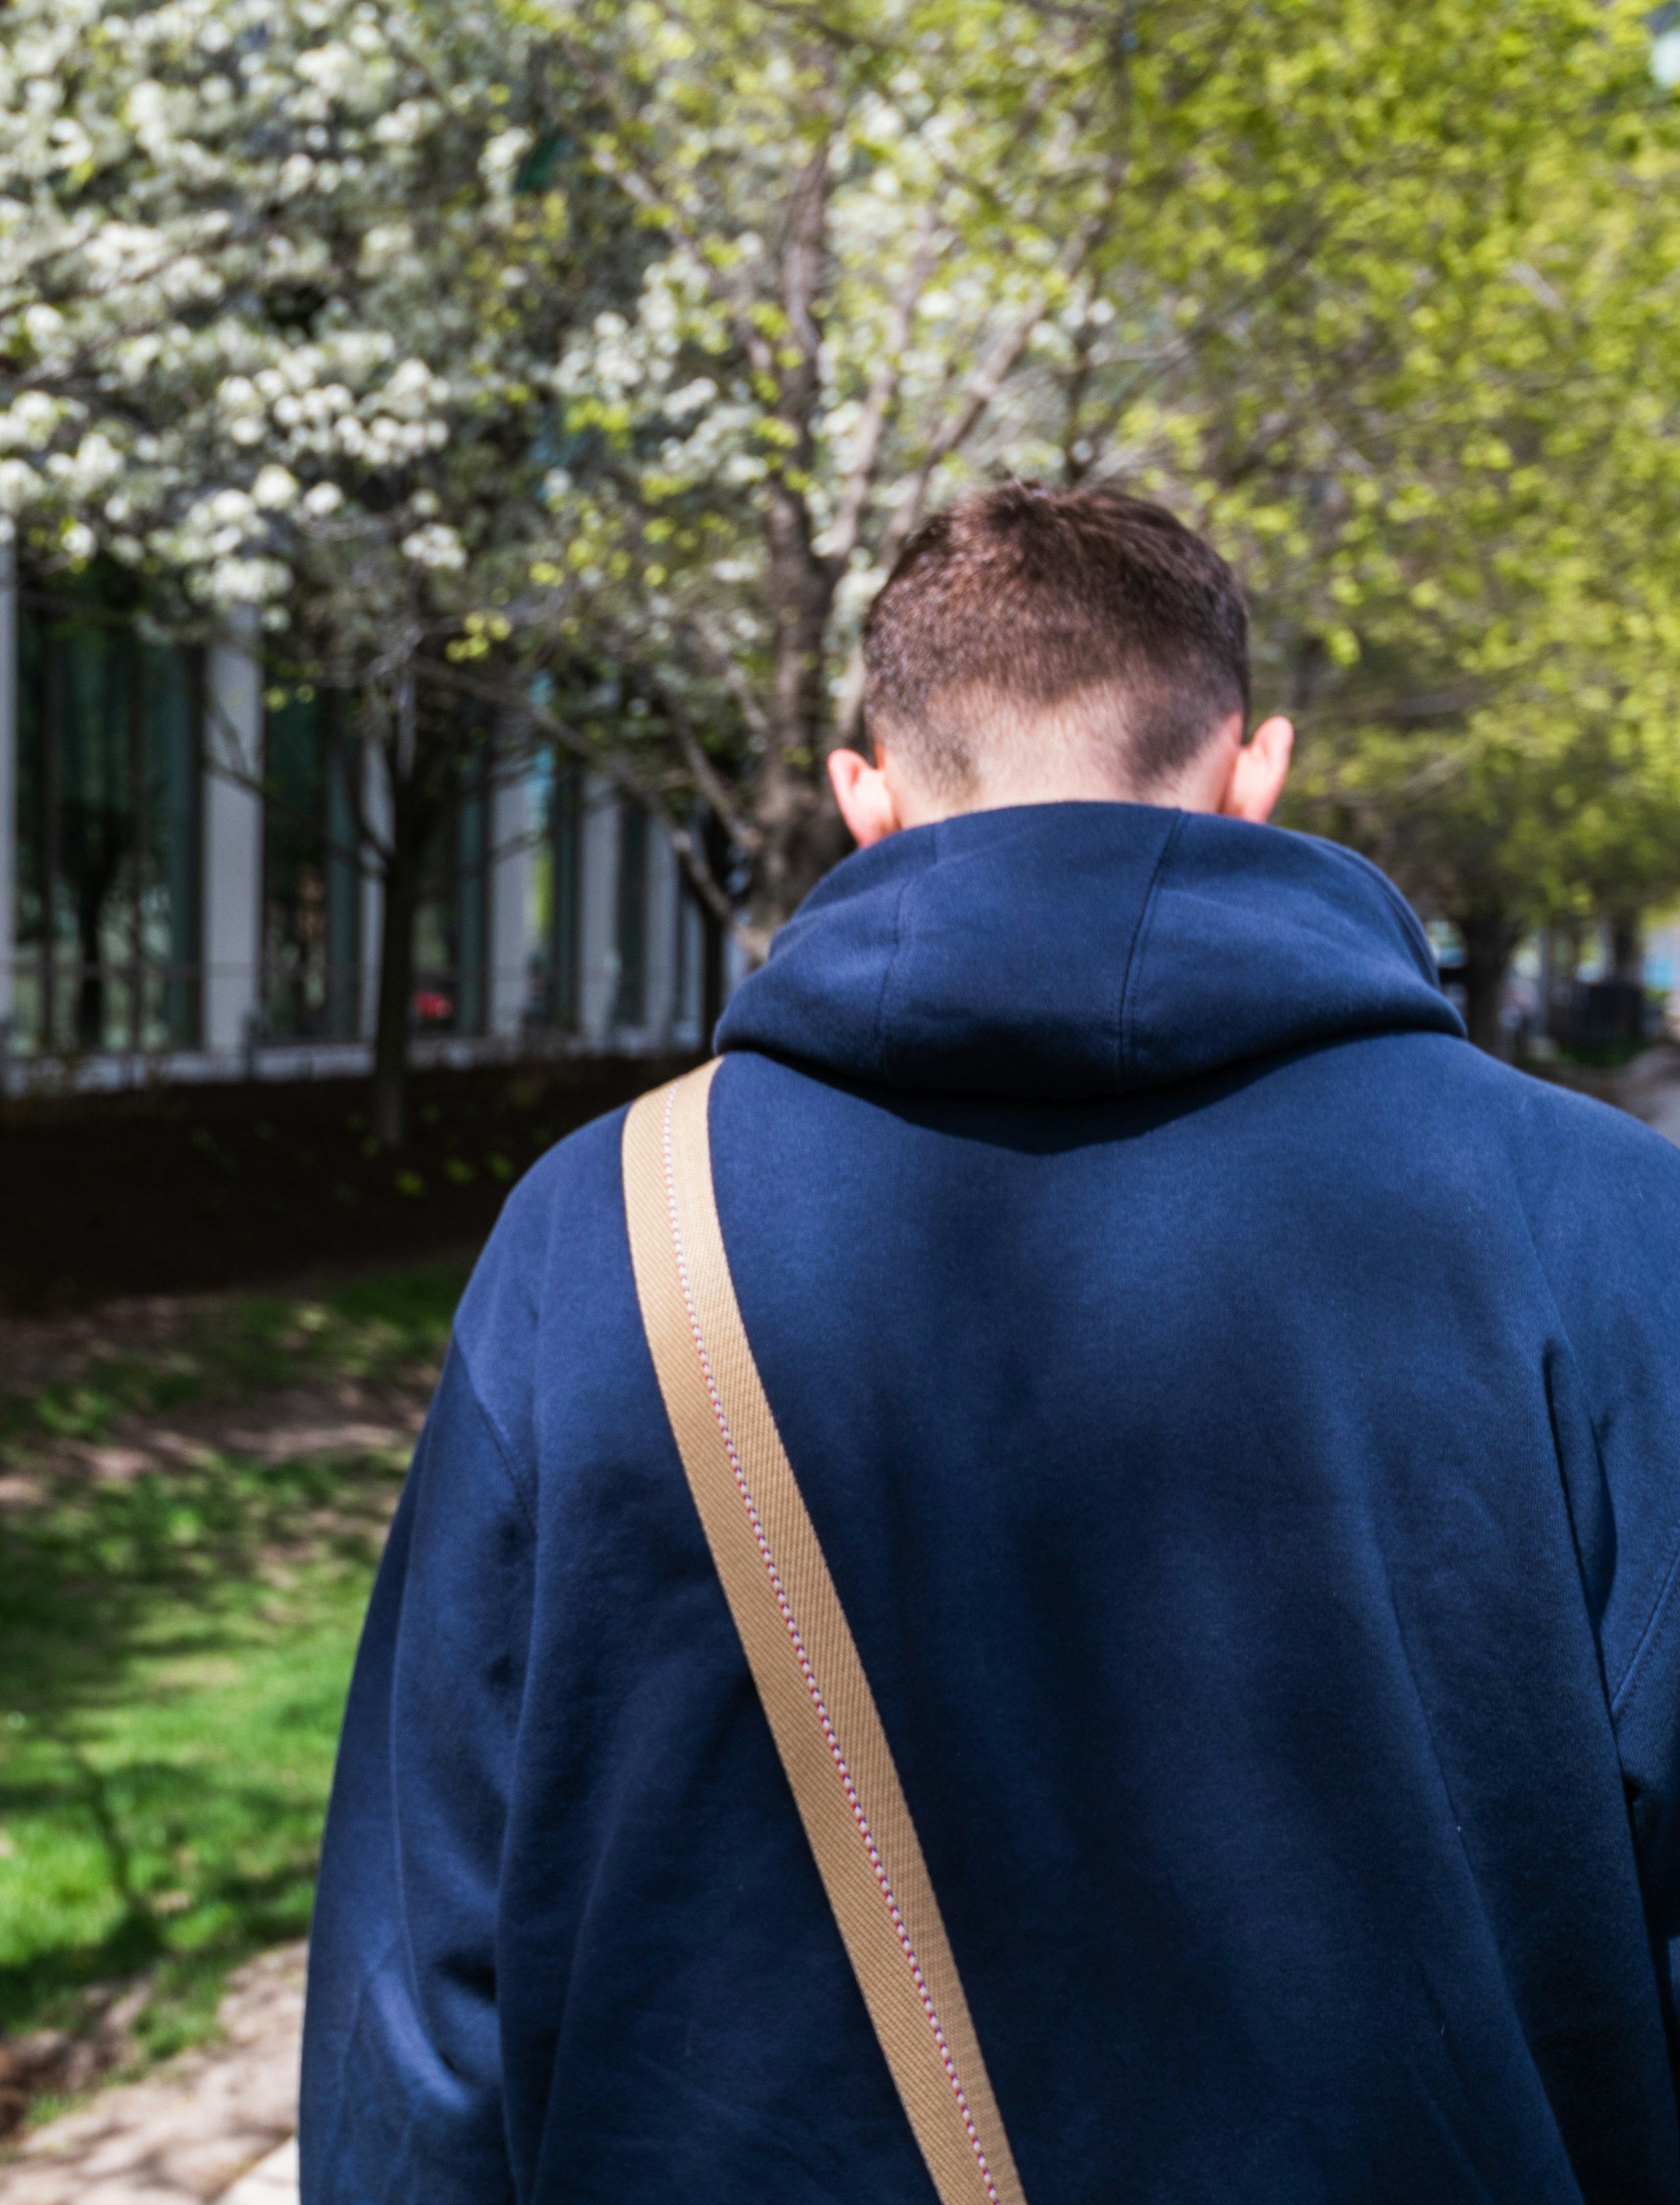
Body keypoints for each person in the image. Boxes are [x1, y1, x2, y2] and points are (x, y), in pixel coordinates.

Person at [303, 485, 1680, 2199]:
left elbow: (425, 1997)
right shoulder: (1612, 1227)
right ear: (1254, 771)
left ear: (861, 800)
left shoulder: (598, 1235)